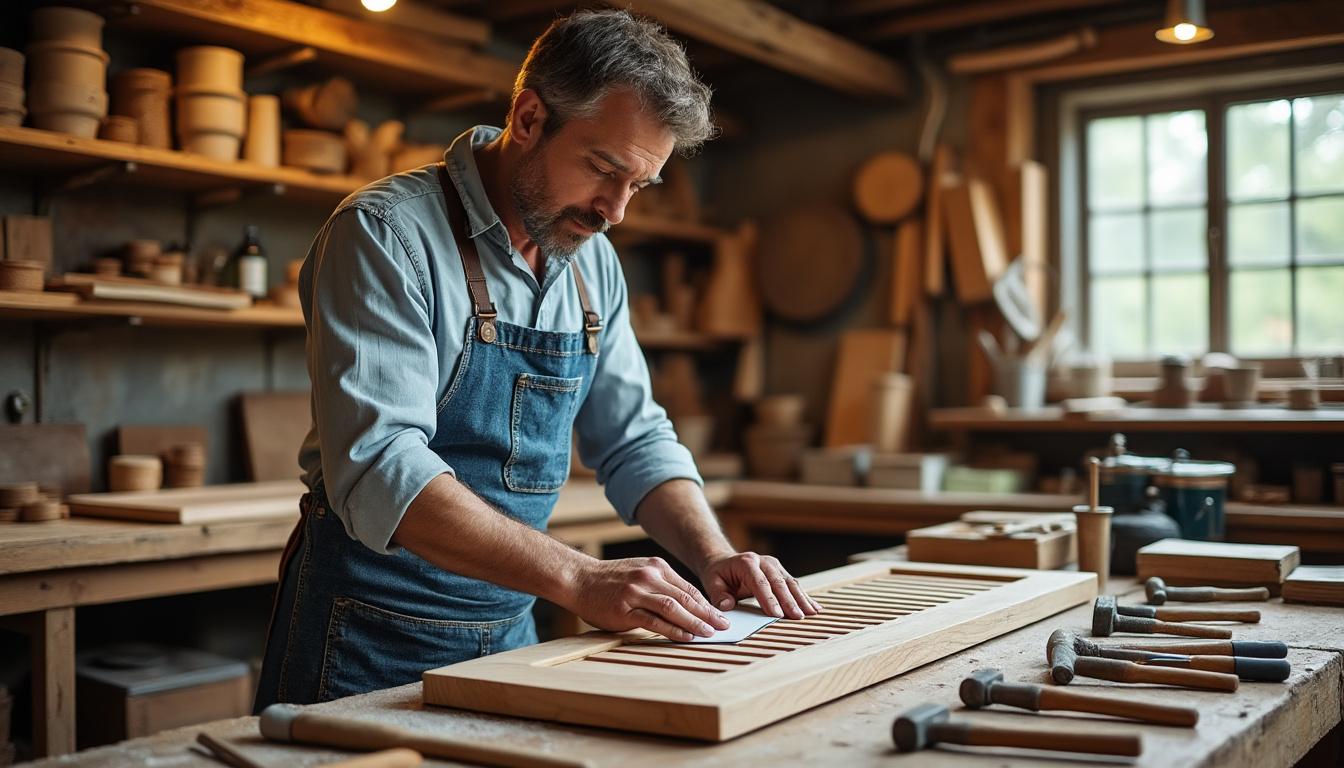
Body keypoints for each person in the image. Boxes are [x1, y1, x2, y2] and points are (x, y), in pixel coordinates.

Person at [254, 9, 819, 708]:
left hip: (509, 627)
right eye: (604, 170)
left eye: (639, 186)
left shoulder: (592, 263)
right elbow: (381, 467)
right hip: (365, 636)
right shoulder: (384, 235)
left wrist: (711, 555)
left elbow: (634, 438)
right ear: (528, 119)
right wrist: (581, 580)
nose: (615, 210)